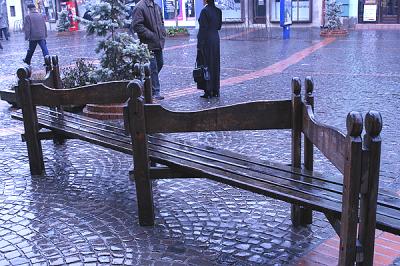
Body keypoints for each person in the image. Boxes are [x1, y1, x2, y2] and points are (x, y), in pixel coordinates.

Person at [131, 0, 167, 100]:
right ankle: (155, 91)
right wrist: (150, 35)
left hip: (158, 42)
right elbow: (137, 25)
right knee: (153, 67)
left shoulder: (156, 6)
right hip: (148, 44)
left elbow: (161, 21)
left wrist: (162, 32)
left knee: (160, 63)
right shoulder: (140, 7)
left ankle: (147, 85)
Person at [196, 0, 222, 98]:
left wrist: (199, 45)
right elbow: (219, 27)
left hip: (206, 40)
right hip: (215, 39)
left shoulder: (204, 11)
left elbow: (203, 29)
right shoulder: (218, 11)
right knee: (215, 64)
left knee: (206, 64)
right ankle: (216, 89)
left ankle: (208, 90)